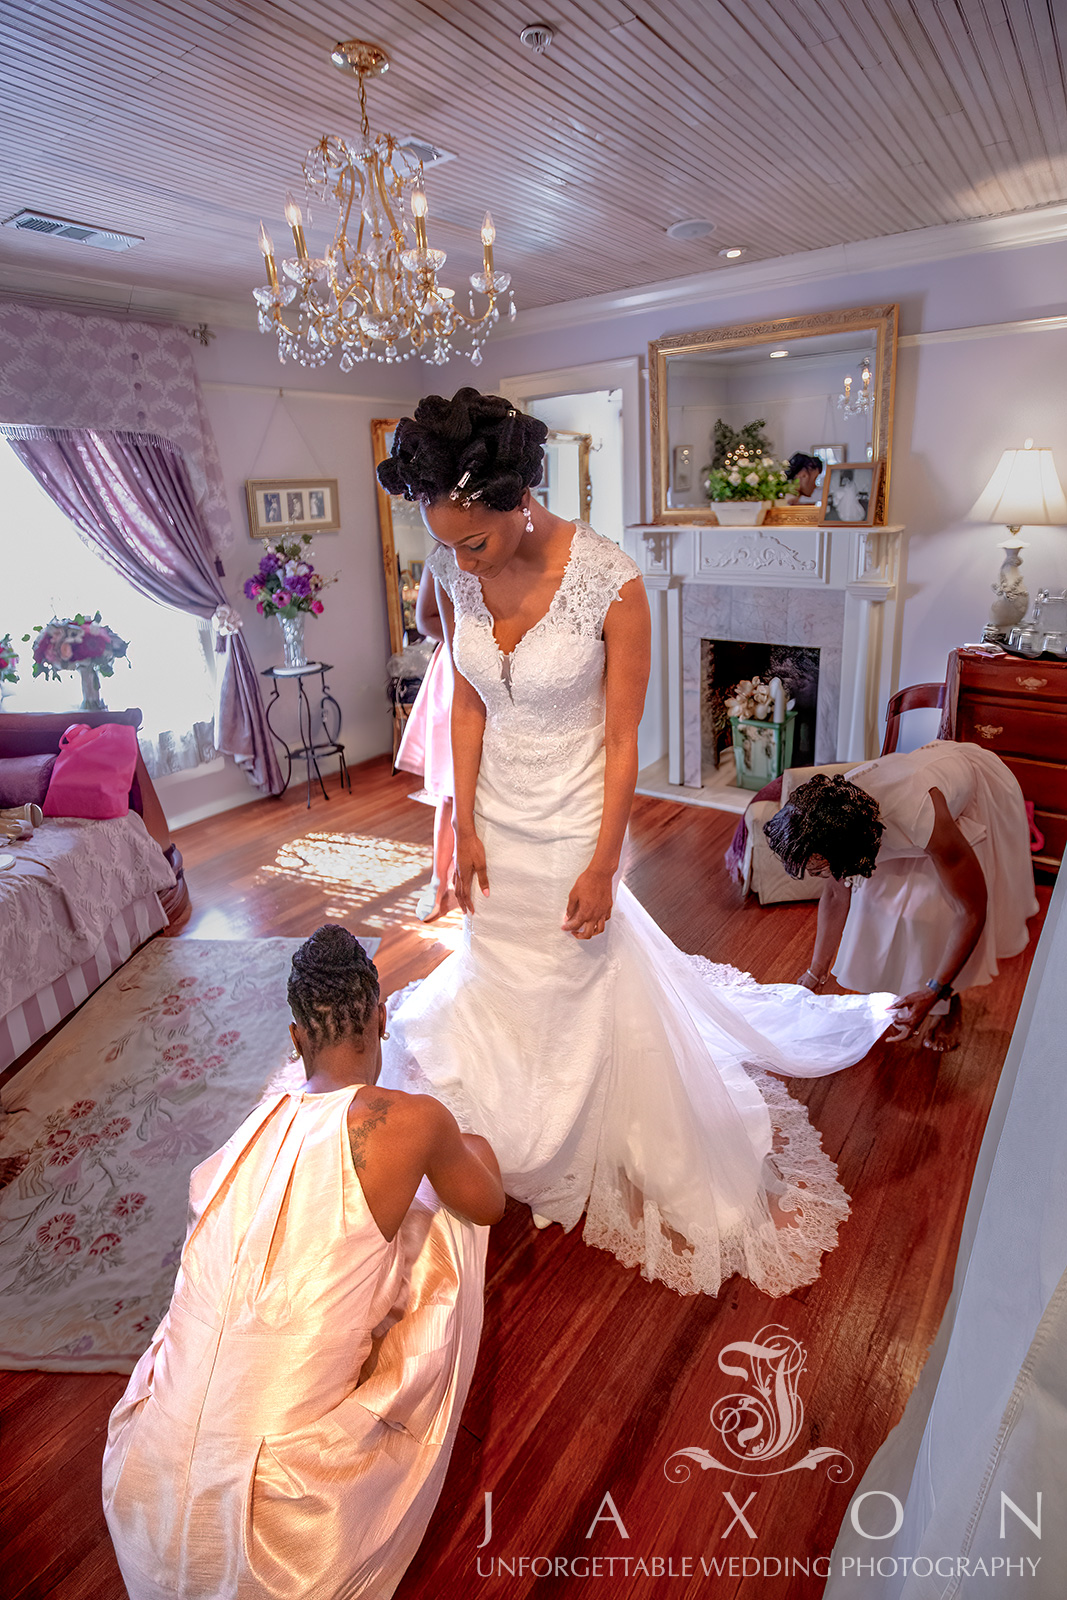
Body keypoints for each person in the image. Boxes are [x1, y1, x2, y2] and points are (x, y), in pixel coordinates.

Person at [375, 387, 892, 1302]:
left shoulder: (609, 578)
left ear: (517, 500)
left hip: (576, 815)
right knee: (498, 960)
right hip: (496, 807)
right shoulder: (456, 572)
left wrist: (606, 860)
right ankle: (507, 1105)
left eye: (474, 540)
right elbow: (462, 695)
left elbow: (622, 740)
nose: (456, 560)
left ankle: (586, 1126)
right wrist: (456, 822)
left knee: (578, 967)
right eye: (444, 542)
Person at [103, 924, 505, 1600]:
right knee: (454, 1216)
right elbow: (490, 1203)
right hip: (280, 1550)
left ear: (296, 1040)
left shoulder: (244, 1137)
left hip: (140, 1503)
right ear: (381, 1018)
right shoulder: (415, 1119)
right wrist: (467, 1144)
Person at [763, 745, 1039, 1051]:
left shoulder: (922, 816)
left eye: (817, 868)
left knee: (934, 915)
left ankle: (948, 1000)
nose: (815, 876)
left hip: (964, 790)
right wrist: (815, 973)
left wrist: (935, 990)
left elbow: (971, 910)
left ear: (844, 850)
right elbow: (834, 892)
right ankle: (907, 985)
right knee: (879, 905)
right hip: (902, 801)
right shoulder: (834, 817)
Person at [395, 564, 458, 922]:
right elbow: (425, 621)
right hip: (455, 663)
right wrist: (468, 638)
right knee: (450, 789)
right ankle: (439, 879)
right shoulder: (442, 557)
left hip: (503, 668)